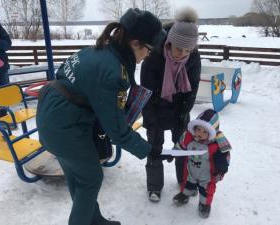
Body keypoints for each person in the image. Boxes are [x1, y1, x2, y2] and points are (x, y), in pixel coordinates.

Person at [36, 8, 165, 225]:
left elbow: (67, 80)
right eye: (149, 49)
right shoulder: (113, 71)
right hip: (65, 127)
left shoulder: (97, 51)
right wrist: (149, 151)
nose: (148, 55)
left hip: (52, 118)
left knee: (78, 176)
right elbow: (117, 130)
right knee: (91, 178)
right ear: (135, 43)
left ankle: (93, 219)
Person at [140, 7, 201, 202]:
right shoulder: (153, 57)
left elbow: (192, 88)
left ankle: (184, 182)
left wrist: (185, 111)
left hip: (179, 109)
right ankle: (154, 186)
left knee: (181, 149)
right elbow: (146, 92)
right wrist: (149, 118)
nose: (181, 54)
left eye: (187, 50)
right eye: (178, 48)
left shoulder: (193, 57)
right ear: (169, 42)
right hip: (156, 108)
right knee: (154, 148)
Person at [172, 109, 231, 218]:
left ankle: (204, 205)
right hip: (191, 170)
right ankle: (185, 195)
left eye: (205, 132)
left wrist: (221, 169)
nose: (200, 134)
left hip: (207, 176)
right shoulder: (188, 137)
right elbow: (180, 145)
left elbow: (224, 157)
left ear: (211, 133)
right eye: (198, 129)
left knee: (206, 191)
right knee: (187, 183)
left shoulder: (216, 145)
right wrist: (173, 153)